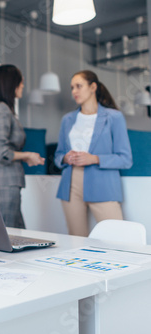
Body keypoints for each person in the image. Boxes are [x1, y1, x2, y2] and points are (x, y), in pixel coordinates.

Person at [55, 70, 133, 237]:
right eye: (72, 88)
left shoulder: (114, 117)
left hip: (103, 184)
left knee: (117, 238)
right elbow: (58, 156)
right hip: (70, 185)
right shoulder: (67, 119)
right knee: (76, 240)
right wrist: (65, 158)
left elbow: (125, 159)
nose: (74, 91)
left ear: (93, 87)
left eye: (79, 86)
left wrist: (94, 159)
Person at [0, 64, 45, 229]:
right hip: (5, 185)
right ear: (9, 84)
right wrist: (27, 155)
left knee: (16, 233)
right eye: (20, 82)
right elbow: (0, 152)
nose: (22, 86)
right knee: (10, 236)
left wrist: (18, 156)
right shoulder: (2, 110)